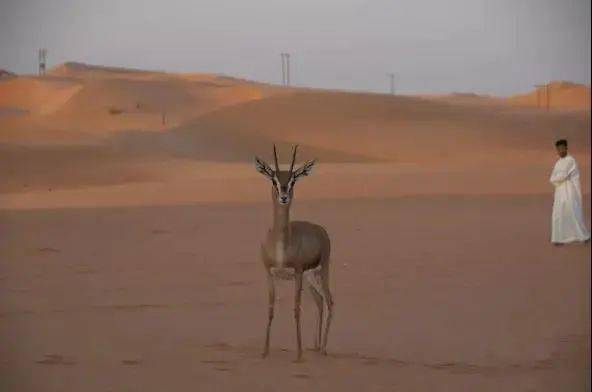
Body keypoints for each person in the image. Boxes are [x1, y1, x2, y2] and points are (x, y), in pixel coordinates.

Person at [549, 139, 590, 245]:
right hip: (559, 193)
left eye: (562, 148)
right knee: (558, 214)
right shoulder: (558, 163)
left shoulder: (571, 160)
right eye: (558, 149)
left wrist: (558, 178)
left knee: (573, 213)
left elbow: (562, 175)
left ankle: (584, 236)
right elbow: (552, 178)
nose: (560, 150)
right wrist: (558, 178)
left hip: (570, 192)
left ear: (566, 148)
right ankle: (559, 239)